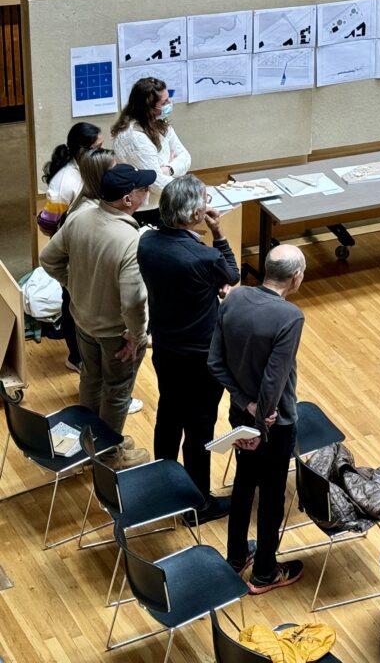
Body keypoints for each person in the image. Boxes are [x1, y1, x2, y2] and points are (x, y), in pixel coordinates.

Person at [138, 175, 240, 524]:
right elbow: (232, 274)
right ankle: (197, 504)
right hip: (200, 354)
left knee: (168, 416)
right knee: (199, 428)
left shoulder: (147, 243)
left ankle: (164, 487)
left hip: (166, 347)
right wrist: (220, 233)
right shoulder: (202, 256)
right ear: (195, 213)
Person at [39, 164, 155, 469]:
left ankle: (87, 443)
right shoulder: (131, 240)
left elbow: (48, 258)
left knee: (90, 379)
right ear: (128, 200)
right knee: (117, 393)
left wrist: (73, 284)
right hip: (116, 332)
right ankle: (108, 454)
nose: (147, 192)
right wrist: (137, 336)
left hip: (83, 320)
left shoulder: (80, 216)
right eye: (143, 188)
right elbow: (134, 299)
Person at [208, 244, 306, 594]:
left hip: (241, 414)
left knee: (244, 483)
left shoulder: (233, 299)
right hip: (273, 425)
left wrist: (245, 406)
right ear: (296, 277)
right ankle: (265, 571)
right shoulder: (289, 317)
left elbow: (215, 362)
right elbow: (274, 380)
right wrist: (261, 420)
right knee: (272, 495)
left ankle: (235, 557)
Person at [38, 123, 104, 373]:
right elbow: (47, 223)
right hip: (71, 249)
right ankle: (76, 357)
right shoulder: (65, 181)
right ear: (81, 151)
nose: (102, 151)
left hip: (90, 243)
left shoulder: (90, 168)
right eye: (97, 148)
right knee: (71, 301)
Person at [111, 77, 192, 227]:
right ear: (148, 107)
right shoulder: (134, 137)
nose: (169, 104)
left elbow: (185, 157)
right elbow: (157, 184)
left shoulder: (160, 123)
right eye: (164, 103)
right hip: (143, 211)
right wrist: (184, 186)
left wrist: (168, 169)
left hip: (162, 204)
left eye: (169, 99)